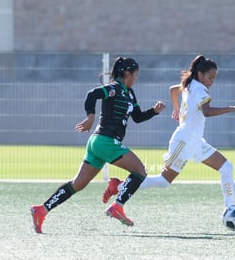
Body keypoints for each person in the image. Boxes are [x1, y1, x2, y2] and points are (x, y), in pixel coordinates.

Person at [102, 55, 235, 219]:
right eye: (210, 77)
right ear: (200, 74)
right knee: (163, 181)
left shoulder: (190, 84)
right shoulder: (199, 88)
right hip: (184, 141)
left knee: (226, 168)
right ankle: (119, 186)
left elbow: (173, 90)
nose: (212, 81)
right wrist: (232, 108)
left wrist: (177, 109)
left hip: (195, 142)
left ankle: (231, 209)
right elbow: (207, 112)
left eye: (214, 78)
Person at [30, 57, 166, 233]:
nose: (137, 78)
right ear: (127, 74)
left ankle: (41, 210)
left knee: (77, 184)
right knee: (140, 171)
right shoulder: (115, 89)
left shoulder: (130, 93)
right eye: (136, 75)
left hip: (98, 143)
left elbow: (138, 117)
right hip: (106, 141)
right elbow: (92, 95)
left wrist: (154, 112)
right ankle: (117, 206)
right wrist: (90, 117)